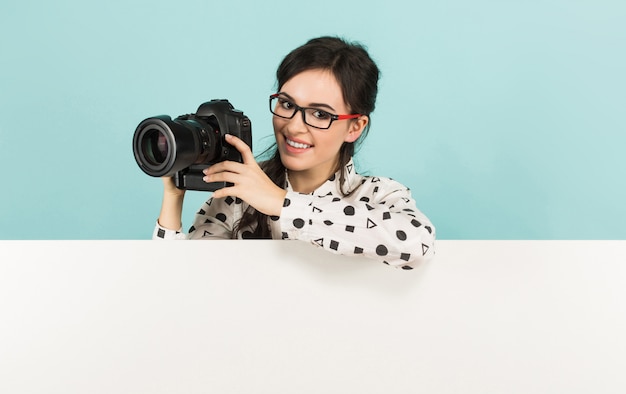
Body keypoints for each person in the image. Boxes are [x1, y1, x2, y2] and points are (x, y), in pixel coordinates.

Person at [153, 36, 435, 270]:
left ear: (355, 127)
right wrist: (173, 196)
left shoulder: (378, 195)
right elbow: (186, 284)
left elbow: (417, 243)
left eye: (319, 113)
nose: (295, 126)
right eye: (287, 105)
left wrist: (281, 203)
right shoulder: (238, 190)